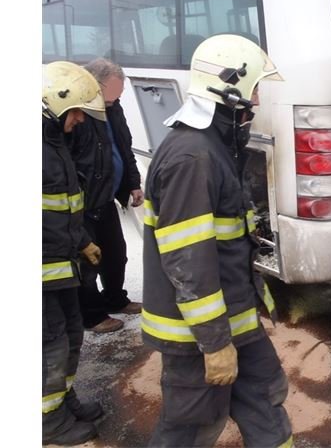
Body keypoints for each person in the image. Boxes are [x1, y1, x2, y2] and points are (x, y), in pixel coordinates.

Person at [141, 34, 293, 447]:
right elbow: (189, 261)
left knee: (266, 397)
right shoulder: (193, 157)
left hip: (234, 319)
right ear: (233, 87)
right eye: (255, 88)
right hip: (198, 336)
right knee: (193, 426)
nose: (258, 100)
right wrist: (214, 344)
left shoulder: (214, 146)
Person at [42, 61, 108, 445]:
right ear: (56, 103)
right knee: (49, 343)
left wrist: (81, 240)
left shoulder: (52, 144)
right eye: (78, 111)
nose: (81, 120)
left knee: (68, 335)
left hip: (61, 264)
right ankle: (47, 420)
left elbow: (62, 207)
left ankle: (61, 401)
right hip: (43, 271)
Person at [69, 58, 143, 334]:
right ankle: (92, 315)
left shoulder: (113, 108)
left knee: (116, 255)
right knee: (87, 263)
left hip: (107, 198)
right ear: (92, 85)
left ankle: (115, 299)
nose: (112, 103)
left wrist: (132, 183)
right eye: (109, 98)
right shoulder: (77, 113)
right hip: (84, 204)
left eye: (117, 98)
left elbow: (125, 147)